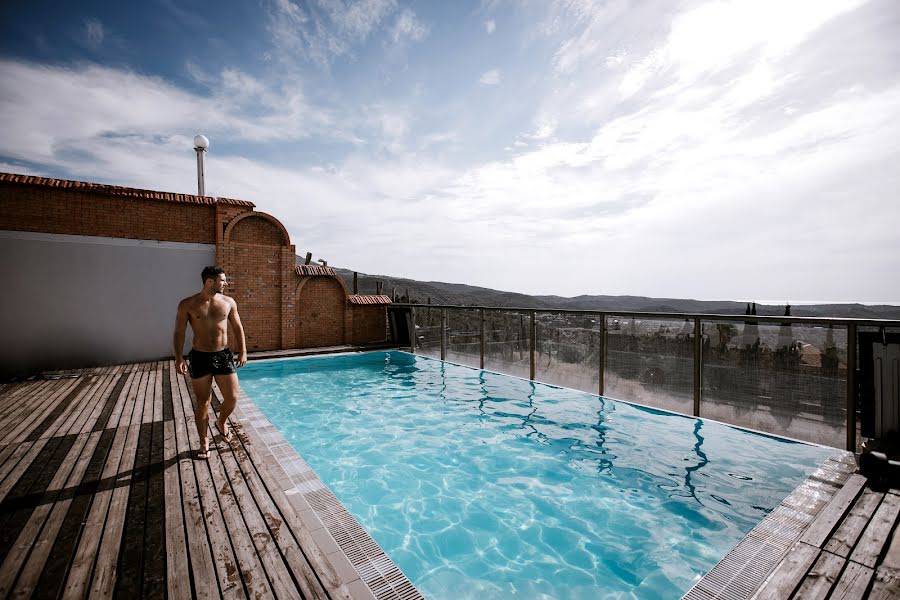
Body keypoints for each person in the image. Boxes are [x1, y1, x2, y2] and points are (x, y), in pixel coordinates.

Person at [173, 266, 248, 458]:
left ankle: (221, 421)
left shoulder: (228, 302)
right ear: (210, 281)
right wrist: (178, 357)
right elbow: (179, 332)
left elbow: (238, 327)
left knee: (232, 397)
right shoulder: (187, 304)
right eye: (222, 280)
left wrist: (243, 351)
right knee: (202, 402)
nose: (226, 283)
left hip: (223, 356)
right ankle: (203, 441)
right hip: (199, 357)